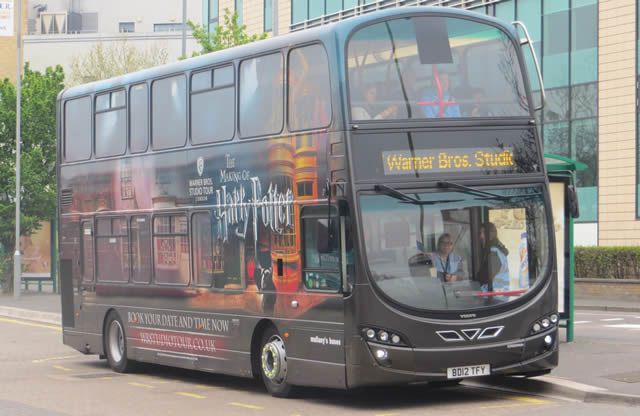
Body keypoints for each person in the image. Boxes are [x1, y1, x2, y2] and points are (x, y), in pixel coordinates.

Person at [477, 222, 510, 295]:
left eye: (484, 233)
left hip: (496, 297)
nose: (481, 236)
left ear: (491, 235)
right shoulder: (496, 249)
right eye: (480, 233)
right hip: (497, 295)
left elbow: (484, 277)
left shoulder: (494, 252)